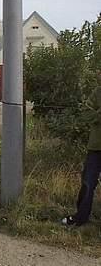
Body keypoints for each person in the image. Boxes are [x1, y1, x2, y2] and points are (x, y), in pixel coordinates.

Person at [62, 71, 101, 227]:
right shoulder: (98, 92)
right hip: (96, 148)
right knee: (87, 183)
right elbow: (86, 113)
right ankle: (80, 218)